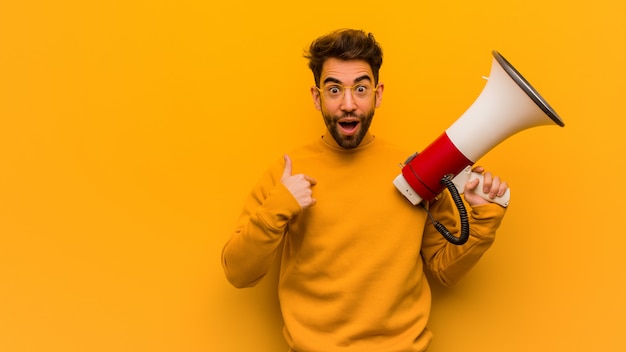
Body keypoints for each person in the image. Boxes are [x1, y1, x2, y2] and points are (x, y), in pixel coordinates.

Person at [221, 29, 508, 352]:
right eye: (334, 90)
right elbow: (239, 273)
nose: (348, 104)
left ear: (378, 94)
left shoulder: (415, 169)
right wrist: (278, 206)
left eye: (360, 88)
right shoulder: (287, 172)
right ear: (317, 98)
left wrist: (484, 219)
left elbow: (445, 270)